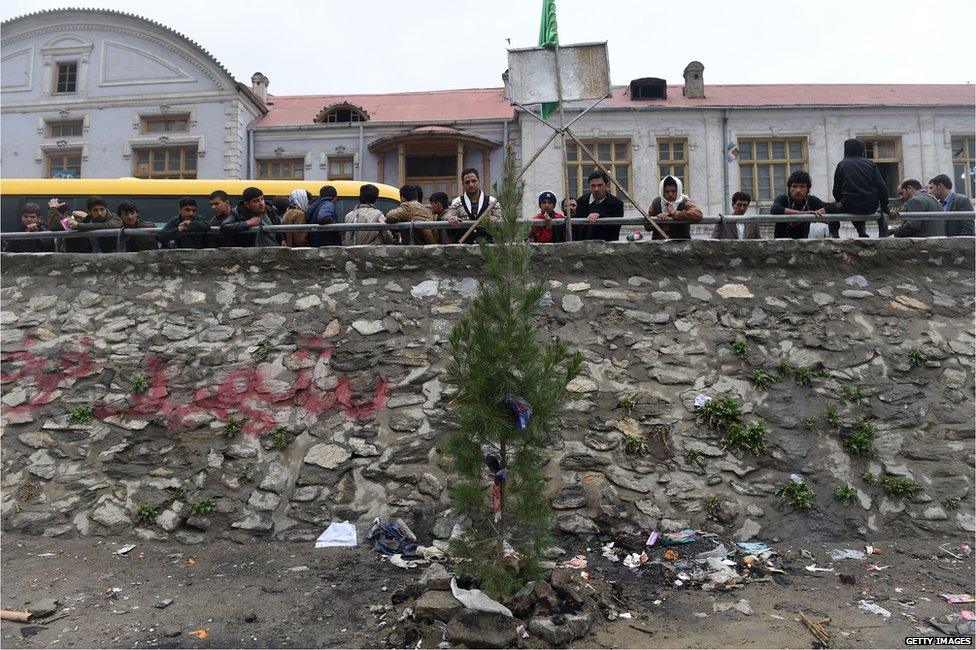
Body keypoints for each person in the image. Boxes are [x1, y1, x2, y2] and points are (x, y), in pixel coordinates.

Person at [826, 138, 889, 238]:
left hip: (849, 204)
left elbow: (836, 190)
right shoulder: (870, 164)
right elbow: (882, 187)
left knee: (831, 208)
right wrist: (885, 208)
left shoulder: (842, 164)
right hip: (871, 206)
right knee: (856, 203)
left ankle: (835, 235)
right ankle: (862, 231)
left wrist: (840, 201)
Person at [442, 168, 501, 243]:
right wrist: (451, 220)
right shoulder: (457, 203)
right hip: (464, 249)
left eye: (474, 181)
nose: (471, 184)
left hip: (487, 250)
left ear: (479, 181)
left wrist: (496, 220)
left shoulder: (492, 202)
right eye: (467, 182)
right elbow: (449, 228)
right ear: (463, 184)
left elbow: (502, 229)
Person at [768, 171, 826, 239]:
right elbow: (775, 209)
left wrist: (807, 217)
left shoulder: (811, 200)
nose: (798, 190)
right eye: (794, 186)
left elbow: (832, 207)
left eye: (802, 186)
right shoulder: (784, 199)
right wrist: (804, 214)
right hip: (781, 244)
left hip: (803, 244)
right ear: (789, 189)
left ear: (808, 189)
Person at [647, 174, 702, 240]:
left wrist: (674, 213)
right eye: (667, 191)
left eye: (673, 191)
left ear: (678, 190)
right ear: (662, 192)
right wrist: (657, 219)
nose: (670, 194)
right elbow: (647, 227)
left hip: (682, 245)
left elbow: (698, 215)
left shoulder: (684, 201)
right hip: (659, 245)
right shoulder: (656, 202)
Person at [575, 170, 625, 241]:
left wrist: (600, 215)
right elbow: (576, 227)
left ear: (606, 185)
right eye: (593, 185)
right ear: (589, 185)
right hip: (584, 246)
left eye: (600, 185)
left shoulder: (616, 204)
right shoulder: (582, 201)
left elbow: (615, 228)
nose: (596, 189)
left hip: (607, 247)